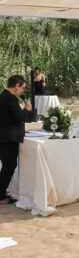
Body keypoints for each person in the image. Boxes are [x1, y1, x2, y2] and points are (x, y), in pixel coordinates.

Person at [0, 75, 33, 204]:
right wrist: (26, 109)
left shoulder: (2, 96)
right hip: (9, 139)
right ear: (16, 86)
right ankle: (1, 196)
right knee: (9, 166)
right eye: (22, 88)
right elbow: (19, 118)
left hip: (3, 136)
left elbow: (7, 118)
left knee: (6, 166)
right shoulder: (11, 99)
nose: (22, 91)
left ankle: (1, 191)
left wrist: (20, 129)